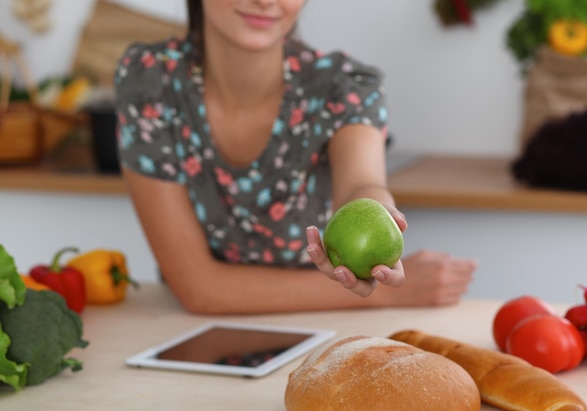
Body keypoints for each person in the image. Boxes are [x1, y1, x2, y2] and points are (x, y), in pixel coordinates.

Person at [114, 0, 476, 315]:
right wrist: (389, 298)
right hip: (192, 332)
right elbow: (197, 288)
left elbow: (362, 184)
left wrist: (378, 214)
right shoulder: (150, 80)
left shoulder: (345, 85)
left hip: (320, 327)